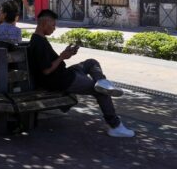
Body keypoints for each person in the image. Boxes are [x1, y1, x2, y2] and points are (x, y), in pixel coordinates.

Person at [28, 9, 135, 137]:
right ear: (44, 23)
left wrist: (66, 55)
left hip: (65, 73)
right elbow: (46, 70)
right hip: (62, 81)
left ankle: (102, 81)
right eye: (53, 25)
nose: (54, 28)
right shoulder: (38, 43)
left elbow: (51, 64)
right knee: (101, 92)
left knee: (91, 62)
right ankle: (115, 126)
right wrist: (62, 57)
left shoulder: (40, 39)